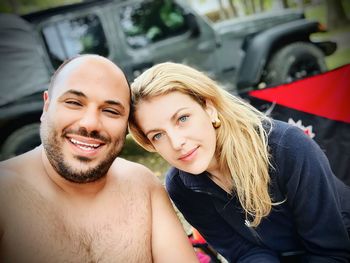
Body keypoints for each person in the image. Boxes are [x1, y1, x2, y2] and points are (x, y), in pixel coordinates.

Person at [128, 62, 350, 262]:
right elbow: (244, 252)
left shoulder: (287, 149)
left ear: (209, 109)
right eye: (157, 135)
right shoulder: (182, 187)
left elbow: (332, 251)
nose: (176, 143)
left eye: (183, 119)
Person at [0, 55, 199, 262]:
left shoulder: (143, 186)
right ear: (46, 106)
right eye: (74, 103)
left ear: (126, 125)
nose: (90, 123)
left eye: (111, 111)